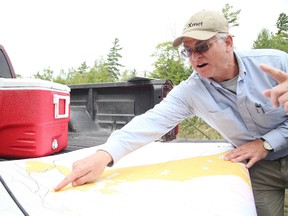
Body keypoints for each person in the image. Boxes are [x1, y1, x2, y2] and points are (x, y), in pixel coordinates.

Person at [55, 10, 288, 216]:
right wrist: (104, 155)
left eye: (202, 47)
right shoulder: (192, 90)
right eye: (188, 51)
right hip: (257, 169)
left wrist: (265, 143)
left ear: (227, 42)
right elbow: (151, 122)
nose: (195, 57)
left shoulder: (276, 63)